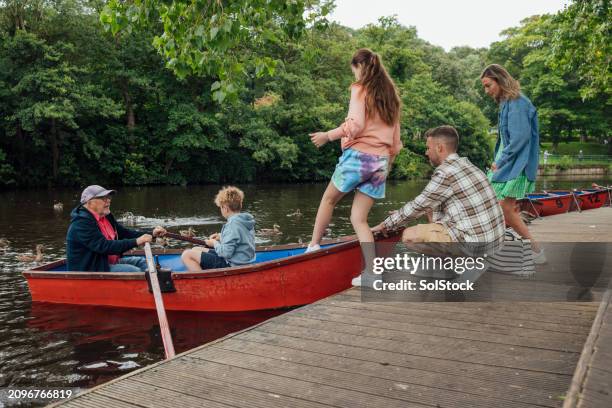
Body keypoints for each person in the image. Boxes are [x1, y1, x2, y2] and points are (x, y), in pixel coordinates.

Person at [306, 48, 403, 277]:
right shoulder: (391, 98)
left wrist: (328, 135)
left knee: (329, 199)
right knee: (359, 219)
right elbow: (396, 143)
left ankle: (313, 246)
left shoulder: (360, 89)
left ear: (359, 67)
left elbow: (356, 125)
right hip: (381, 162)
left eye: (355, 70)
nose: (355, 76)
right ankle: (372, 272)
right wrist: (387, 163)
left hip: (359, 158)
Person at [372, 125, 505, 246]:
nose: (426, 152)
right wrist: (407, 214)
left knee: (410, 235)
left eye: (428, 148)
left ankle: (462, 265)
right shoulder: (466, 164)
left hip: (477, 244)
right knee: (431, 210)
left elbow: (419, 204)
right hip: (495, 238)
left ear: (439, 148)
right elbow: (427, 204)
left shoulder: (446, 172)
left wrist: (386, 224)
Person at [480, 64, 544, 262]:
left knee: (502, 207)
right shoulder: (507, 103)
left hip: (517, 164)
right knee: (494, 205)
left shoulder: (517, 103)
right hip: (508, 163)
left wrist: (500, 160)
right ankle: (500, 248)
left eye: (488, 85)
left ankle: (535, 251)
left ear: (500, 81)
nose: (486, 91)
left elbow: (519, 139)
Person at [66, 185, 166, 272]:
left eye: (108, 197)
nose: (108, 201)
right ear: (90, 202)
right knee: (134, 271)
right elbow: (104, 246)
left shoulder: (106, 216)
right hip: (91, 269)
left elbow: (124, 233)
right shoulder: (81, 223)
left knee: (144, 262)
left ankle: (154, 290)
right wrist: (137, 241)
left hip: (106, 262)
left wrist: (152, 233)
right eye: (103, 198)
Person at [181, 186, 255, 271]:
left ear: (225, 208)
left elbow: (226, 253)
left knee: (186, 255)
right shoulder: (245, 220)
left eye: (220, 207)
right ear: (240, 204)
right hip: (241, 261)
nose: (221, 210)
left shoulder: (232, 224)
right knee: (195, 249)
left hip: (232, 265)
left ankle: (203, 282)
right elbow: (240, 238)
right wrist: (221, 236)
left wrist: (214, 243)